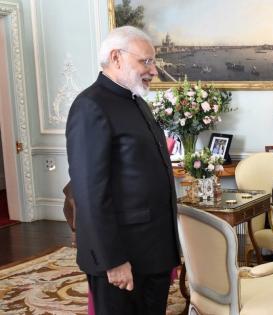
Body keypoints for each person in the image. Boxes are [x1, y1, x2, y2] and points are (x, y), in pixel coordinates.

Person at [66, 26, 180, 315]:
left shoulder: (136, 102)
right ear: (116, 57)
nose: (154, 70)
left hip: (153, 252)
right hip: (121, 257)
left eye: (153, 62)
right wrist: (112, 261)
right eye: (146, 61)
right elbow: (90, 194)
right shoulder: (90, 107)